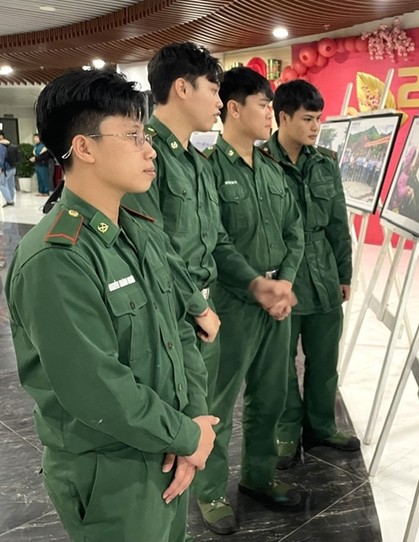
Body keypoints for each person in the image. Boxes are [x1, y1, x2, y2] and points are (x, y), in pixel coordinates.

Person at [5, 68, 219, 542]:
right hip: (112, 473)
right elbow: (96, 388)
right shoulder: (55, 259)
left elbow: (178, 331)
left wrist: (195, 424)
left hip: (168, 446)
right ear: (84, 148)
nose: (149, 150)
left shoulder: (137, 229)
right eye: (134, 136)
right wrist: (187, 436)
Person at [122, 41, 291, 530]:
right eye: (214, 90)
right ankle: (195, 502)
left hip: (201, 312)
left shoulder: (194, 162)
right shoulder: (147, 156)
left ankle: (196, 499)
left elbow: (214, 239)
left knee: (206, 415)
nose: (219, 103)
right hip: (169, 315)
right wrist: (197, 305)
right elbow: (150, 243)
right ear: (182, 88)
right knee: (182, 423)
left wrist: (255, 283)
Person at [194, 67, 305, 534]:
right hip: (234, 303)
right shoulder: (208, 170)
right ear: (233, 109)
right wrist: (256, 286)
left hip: (277, 301)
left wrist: (285, 285)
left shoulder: (273, 169)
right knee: (218, 402)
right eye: (263, 105)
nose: (270, 115)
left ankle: (258, 477)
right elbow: (214, 240)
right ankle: (211, 491)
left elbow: (294, 231)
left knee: (271, 394)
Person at [261, 80, 359, 469]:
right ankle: (287, 429)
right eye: (307, 118)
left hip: (324, 275)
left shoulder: (326, 163)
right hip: (282, 274)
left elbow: (338, 222)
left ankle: (321, 425)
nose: (316, 126)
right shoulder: (259, 163)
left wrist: (345, 273)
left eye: (319, 118)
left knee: (324, 359)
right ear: (282, 117)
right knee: (281, 362)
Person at [0, 131, 16, 207]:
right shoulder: (9, 144)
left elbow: (1, 158)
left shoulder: (1, 145)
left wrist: (0, 167)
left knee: (1, 184)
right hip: (13, 167)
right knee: (10, 184)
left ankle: (9, 200)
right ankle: (12, 199)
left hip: (6, 169)